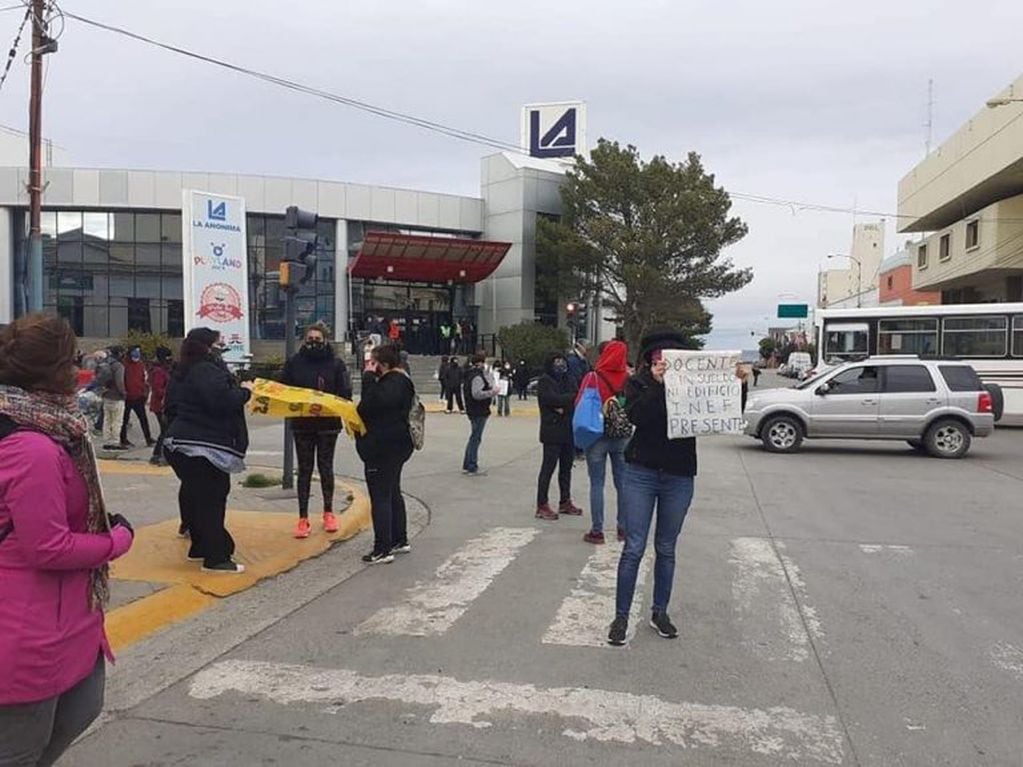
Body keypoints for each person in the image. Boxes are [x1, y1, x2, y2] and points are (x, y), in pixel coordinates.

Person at [0, 313, 135, 766]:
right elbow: (47, 547)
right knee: (20, 751)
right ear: (57, 369)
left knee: (82, 707)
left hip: (65, 616)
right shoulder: (31, 446)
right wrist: (115, 541)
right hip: (26, 628)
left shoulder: (51, 426)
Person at [609, 329, 697, 647]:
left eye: (672, 357)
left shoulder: (692, 385)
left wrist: (738, 387)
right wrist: (659, 387)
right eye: (659, 357)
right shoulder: (638, 384)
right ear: (649, 360)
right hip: (641, 472)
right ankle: (620, 616)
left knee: (666, 548)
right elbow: (638, 417)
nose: (664, 362)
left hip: (679, 474)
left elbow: (719, 414)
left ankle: (660, 612)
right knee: (633, 547)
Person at [164, 328, 253, 574]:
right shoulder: (205, 370)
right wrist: (246, 391)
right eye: (218, 343)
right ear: (207, 346)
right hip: (201, 447)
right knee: (212, 500)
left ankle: (201, 547)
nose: (222, 347)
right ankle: (216, 557)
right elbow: (222, 400)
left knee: (197, 497)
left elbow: (170, 406)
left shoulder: (184, 370)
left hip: (185, 443)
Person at [280, 322, 353, 539]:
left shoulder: (336, 364)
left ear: (326, 341)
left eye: (317, 340)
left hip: (328, 425)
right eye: (310, 339)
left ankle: (328, 512)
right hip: (302, 424)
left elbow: (345, 392)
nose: (313, 343)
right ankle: (303, 517)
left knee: (325, 467)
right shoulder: (294, 363)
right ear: (304, 340)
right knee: (304, 470)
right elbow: (283, 389)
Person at [355, 344, 415, 564]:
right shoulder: (403, 380)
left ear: (385, 364)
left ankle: (383, 548)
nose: (372, 366)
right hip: (398, 445)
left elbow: (368, 406)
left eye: (374, 363)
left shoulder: (391, 384)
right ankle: (400, 538)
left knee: (380, 496)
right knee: (392, 492)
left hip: (382, 447)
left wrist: (368, 378)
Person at [580, 340, 631, 544]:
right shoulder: (628, 379)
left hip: (597, 435)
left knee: (597, 483)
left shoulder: (593, 377)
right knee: (623, 484)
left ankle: (597, 530)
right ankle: (623, 528)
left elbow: (580, 403)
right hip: (622, 437)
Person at [535, 352, 583, 520]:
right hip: (552, 431)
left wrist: (563, 404)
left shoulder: (569, 379)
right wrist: (562, 402)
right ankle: (542, 504)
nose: (560, 365)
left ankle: (565, 501)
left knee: (566, 468)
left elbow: (576, 397)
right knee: (548, 468)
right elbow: (550, 399)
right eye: (556, 362)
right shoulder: (545, 381)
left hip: (568, 430)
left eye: (562, 361)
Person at [461, 352, 495, 475]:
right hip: (479, 410)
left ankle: (467, 463)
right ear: (480, 363)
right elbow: (477, 394)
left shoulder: (470, 375)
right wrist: (492, 392)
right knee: (476, 438)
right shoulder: (477, 377)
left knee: (473, 437)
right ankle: (472, 465)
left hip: (473, 409)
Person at [120, 346, 154, 449]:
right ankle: (123, 439)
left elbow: (144, 378)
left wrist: (144, 392)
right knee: (124, 420)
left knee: (143, 419)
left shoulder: (140, 364)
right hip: (127, 397)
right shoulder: (124, 364)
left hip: (139, 396)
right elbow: (122, 379)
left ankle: (148, 438)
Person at [97, 346, 126, 451]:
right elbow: (120, 382)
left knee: (107, 419)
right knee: (117, 420)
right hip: (116, 397)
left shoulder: (105, 364)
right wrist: (124, 393)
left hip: (106, 395)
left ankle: (107, 440)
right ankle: (114, 442)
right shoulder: (118, 366)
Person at [148, 346, 173, 466]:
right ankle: (160, 455)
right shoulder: (158, 371)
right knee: (165, 431)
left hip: (163, 403)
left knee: (164, 431)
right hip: (160, 404)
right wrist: (170, 392)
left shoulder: (164, 369)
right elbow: (158, 389)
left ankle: (157, 454)